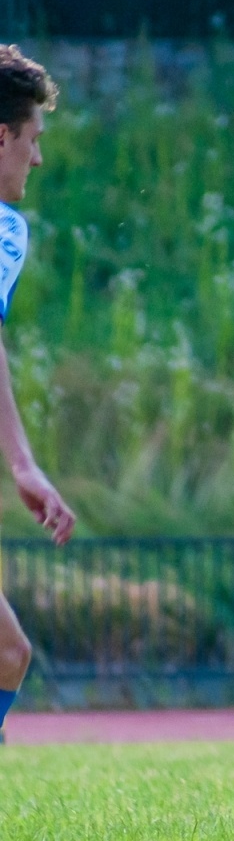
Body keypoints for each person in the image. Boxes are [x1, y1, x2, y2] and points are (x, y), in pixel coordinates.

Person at [0, 47, 76, 745]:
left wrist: (23, 463)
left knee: (7, 653)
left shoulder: (6, 231)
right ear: (1, 136)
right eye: (33, 139)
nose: (39, 158)